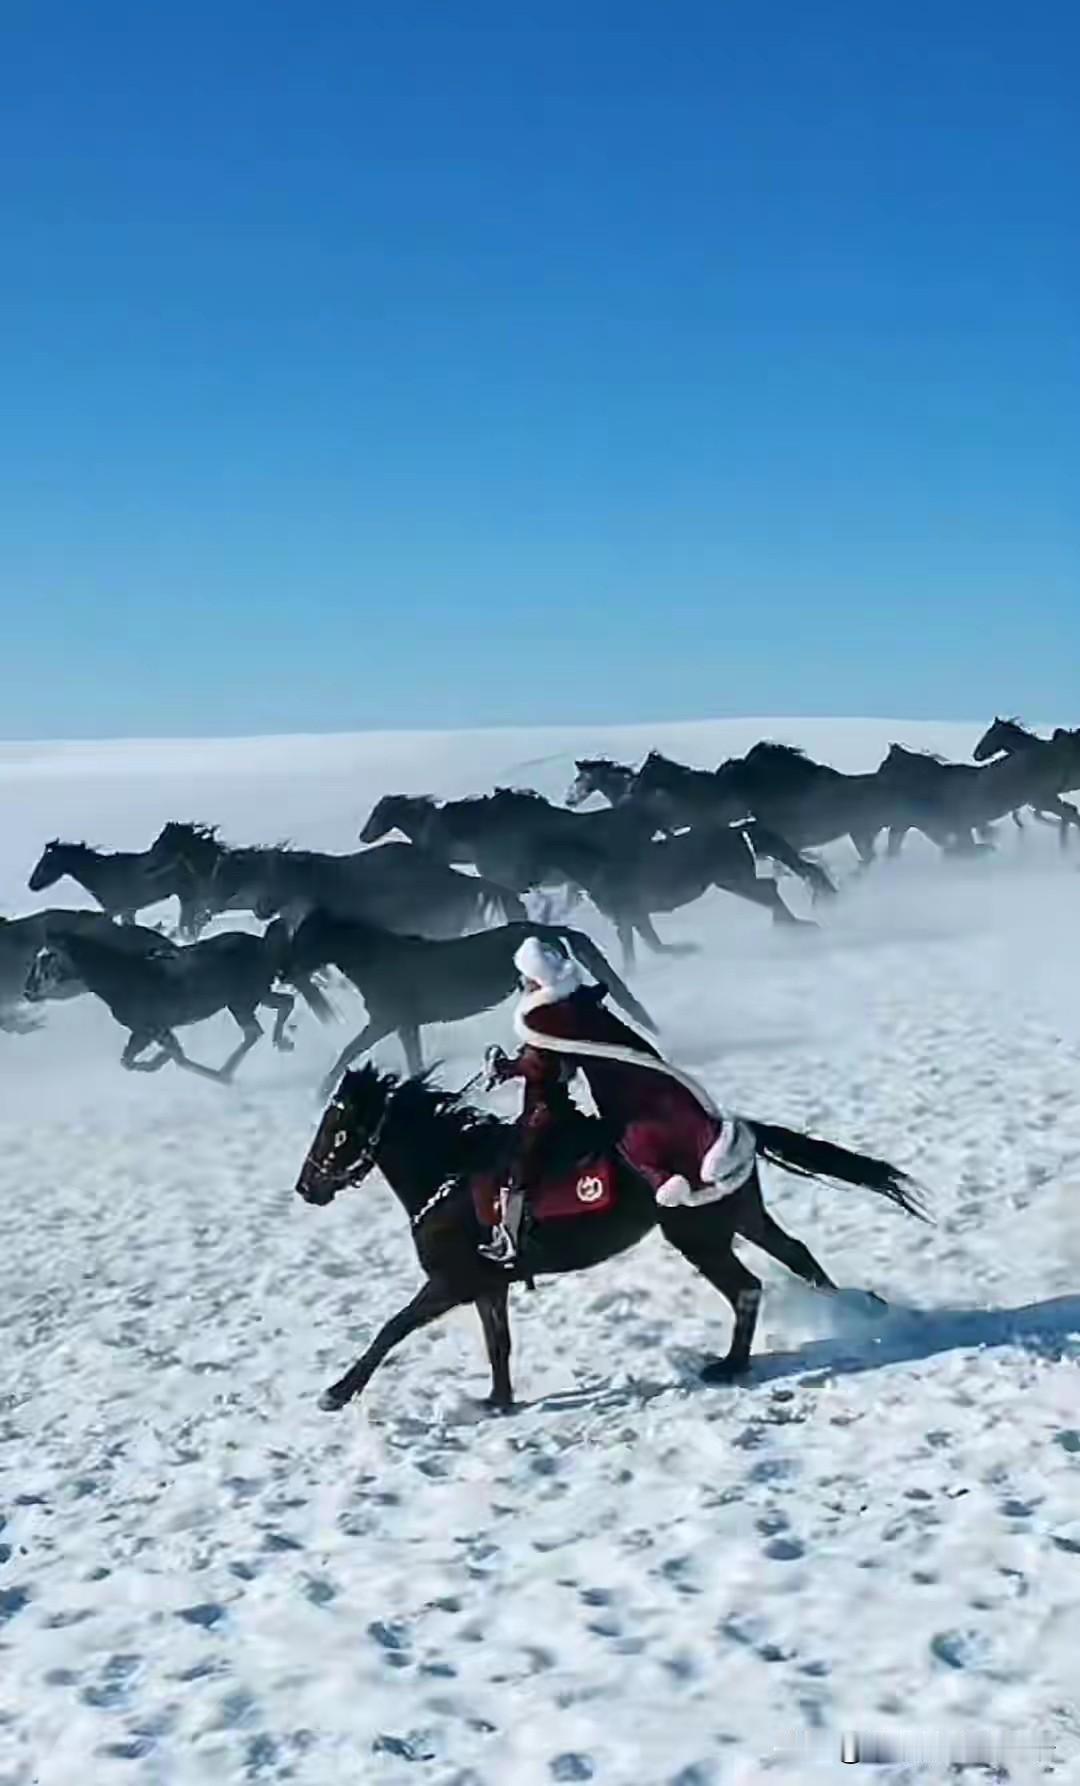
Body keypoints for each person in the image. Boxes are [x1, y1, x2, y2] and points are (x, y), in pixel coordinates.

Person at [479, 934, 755, 1265]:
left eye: (526, 979)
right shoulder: (571, 1006)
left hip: (546, 1107)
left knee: (521, 1162)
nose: (524, 985)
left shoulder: (548, 1017)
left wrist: (508, 1067)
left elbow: (545, 1065)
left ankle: (510, 1237)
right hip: (600, 1090)